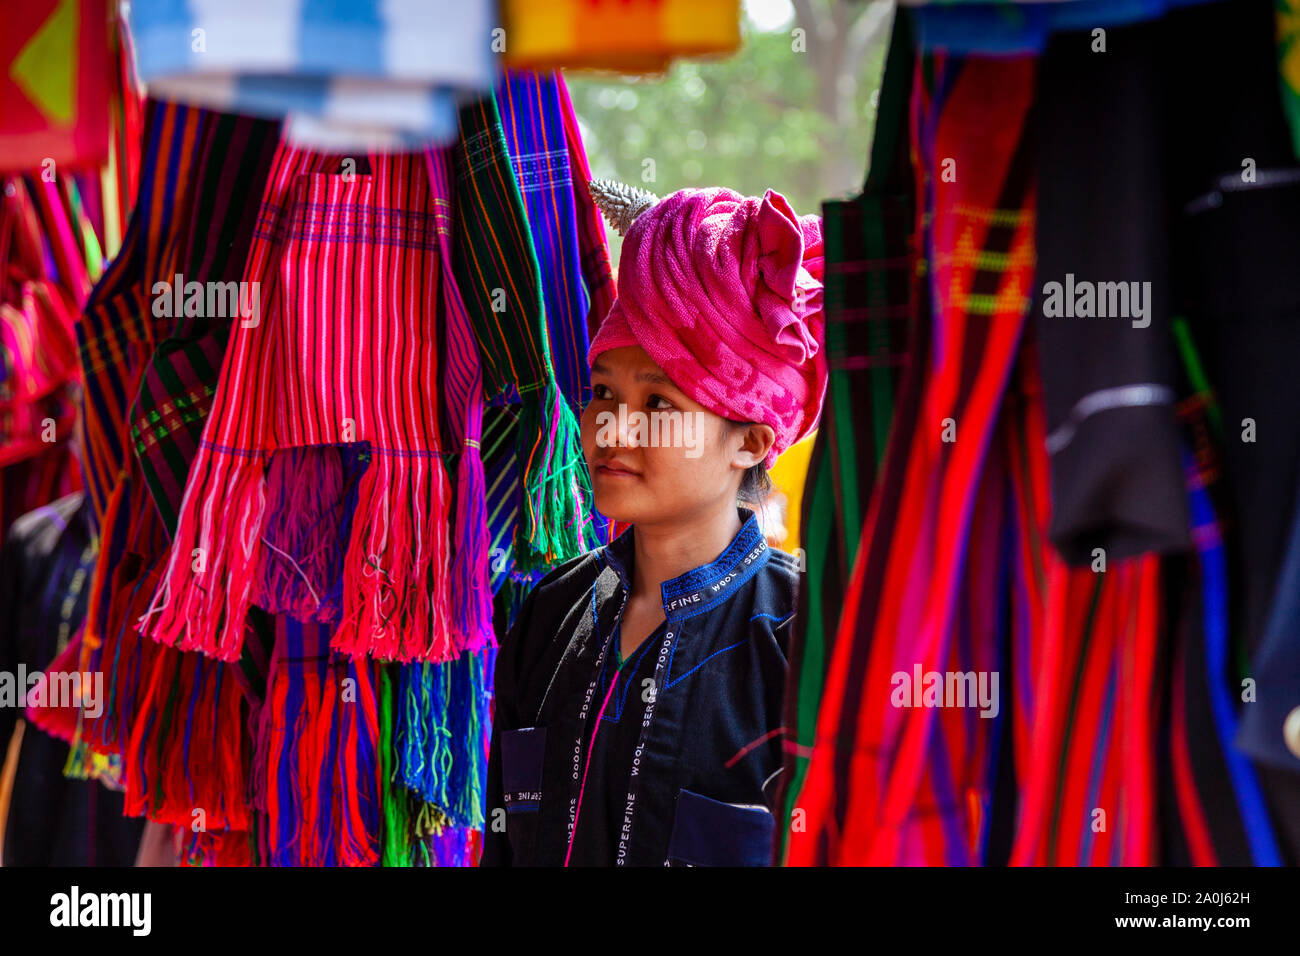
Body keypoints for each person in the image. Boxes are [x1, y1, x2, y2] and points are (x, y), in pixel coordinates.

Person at [481, 182, 825, 866]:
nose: (612, 426)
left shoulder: (804, 642)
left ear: (751, 442)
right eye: (603, 390)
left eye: (659, 402)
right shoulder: (546, 614)